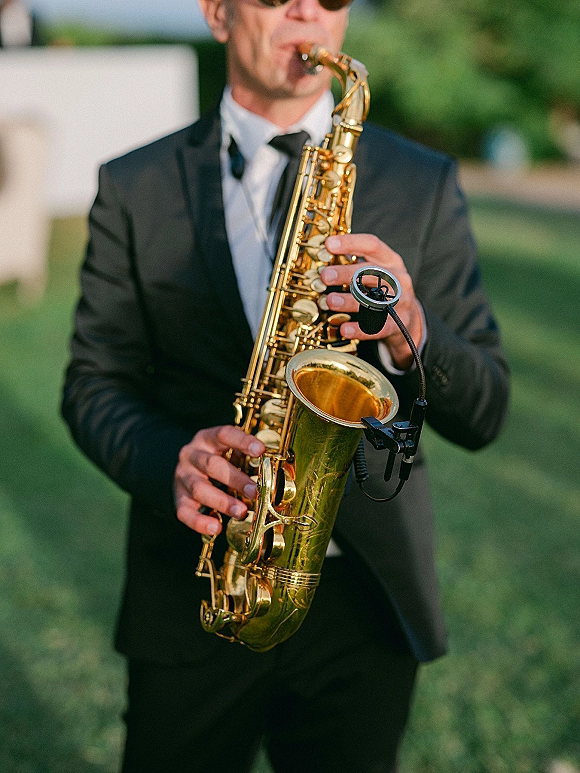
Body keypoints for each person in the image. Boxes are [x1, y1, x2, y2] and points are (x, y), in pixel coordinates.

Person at [61, 0, 510, 770]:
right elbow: (91, 381)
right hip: (199, 591)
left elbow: (486, 408)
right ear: (217, 13)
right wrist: (170, 457)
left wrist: (415, 328)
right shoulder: (134, 184)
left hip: (366, 607)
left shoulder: (422, 180)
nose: (306, 9)